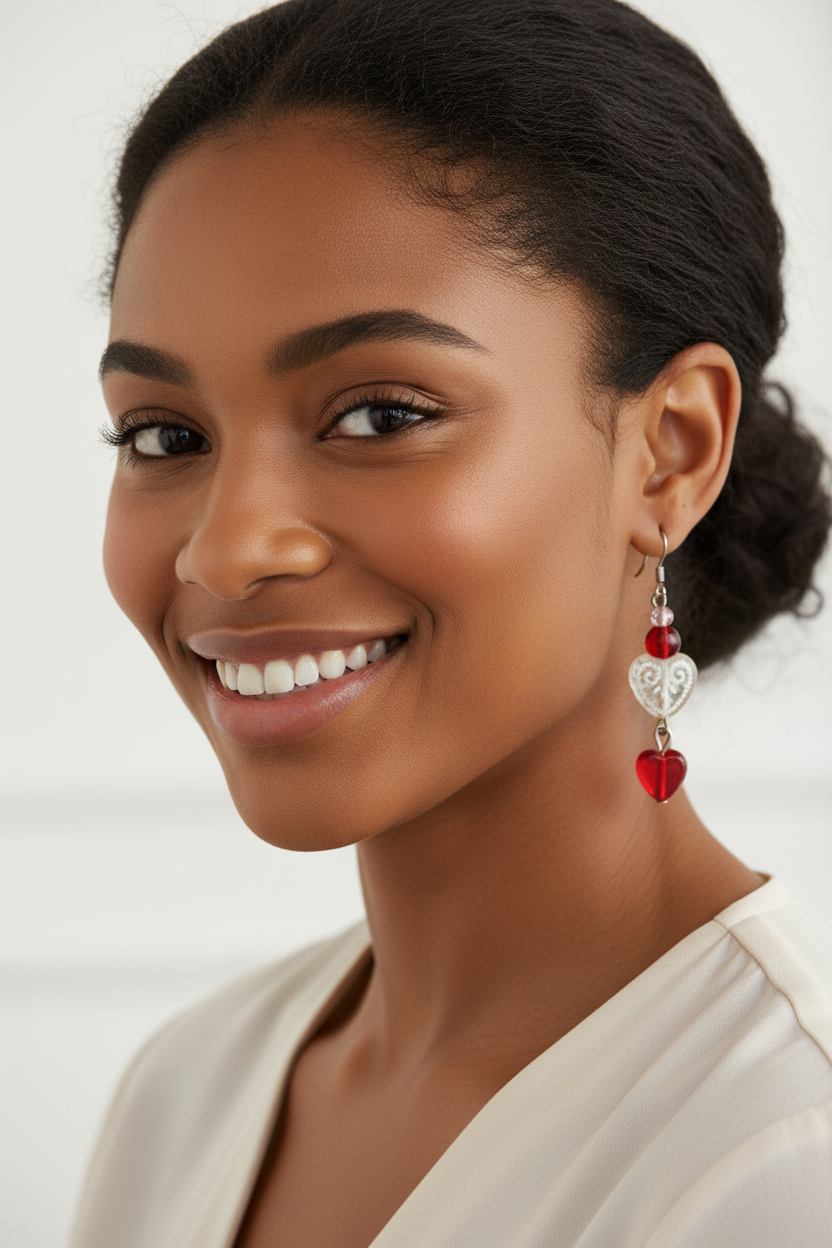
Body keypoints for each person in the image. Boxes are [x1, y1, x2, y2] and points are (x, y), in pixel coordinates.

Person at [70, 0, 832, 1244]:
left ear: (669, 454)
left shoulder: (786, 1156)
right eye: (166, 435)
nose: (227, 547)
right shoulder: (181, 1089)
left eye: (379, 414)